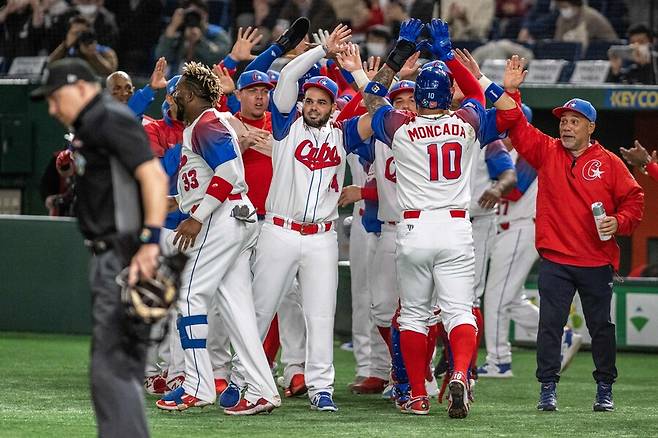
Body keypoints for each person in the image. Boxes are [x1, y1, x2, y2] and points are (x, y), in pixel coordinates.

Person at [362, 18, 510, 417]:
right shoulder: (465, 122)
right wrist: (446, 51)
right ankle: (460, 373)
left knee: (413, 314)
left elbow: (372, 96)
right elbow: (478, 93)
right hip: (457, 225)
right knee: (460, 311)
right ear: (447, 96)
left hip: (413, 227)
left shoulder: (401, 127)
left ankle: (417, 395)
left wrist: (400, 50)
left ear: (419, 96)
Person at [494, 55, 644, 412]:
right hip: (556, 259)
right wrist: (511, 90)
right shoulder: (547, 151)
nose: (566, 127)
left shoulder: (609, 162)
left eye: (575, 121)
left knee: (601, 328)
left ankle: (604, 387)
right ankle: (547, 388)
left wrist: (618, 223)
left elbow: (634, 200)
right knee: (549, 325)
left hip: (596, 260)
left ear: (591, 127)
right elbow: (516, 125)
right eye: (563, 121)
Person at [30, 57, 168, 437]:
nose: (52, 109)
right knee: (111, 368)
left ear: (77, 87)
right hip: (111, 254)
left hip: (124, 254)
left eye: (55, 99)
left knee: (113, 368)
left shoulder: (109, 118)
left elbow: (154, 178)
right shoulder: (94, 123)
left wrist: (149, 245)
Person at [247, 23, 371, 412]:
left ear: (333, 106)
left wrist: (354, 71)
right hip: (279, 230)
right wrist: (323, 51)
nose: (314, 106)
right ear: (302, 103)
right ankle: (245, 379)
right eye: (310, 100)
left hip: (322, 236)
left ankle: (321, 388)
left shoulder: (343, 133)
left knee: (321, 313)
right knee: (259, 309)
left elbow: (376, 104)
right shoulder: (285, 125)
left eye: (322, 102)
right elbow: (286, 75)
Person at [154, 61, 280, 415]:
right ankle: (262, 390)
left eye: (176, 94)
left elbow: (228, 172)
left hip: (221, 218)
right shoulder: (206, 123)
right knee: (237, 310)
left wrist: (195, 217)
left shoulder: (206, 122)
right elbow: (207, 179)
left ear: (191, 95)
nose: (172, 101)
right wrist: (176, 204)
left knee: (190, 295)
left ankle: (197, 385)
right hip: (233, 217)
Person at [155, 0, 231, 74]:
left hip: (205, 81)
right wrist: (172, 27)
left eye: (197, 14)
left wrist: (200, 41)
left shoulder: (217, 34)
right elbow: (161, 57)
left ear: (205, 14)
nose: (193, 18)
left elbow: (218, 59)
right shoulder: (178, 33)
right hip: (176, 79)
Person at [48, 15, 117, 76]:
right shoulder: (67, 51)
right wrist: (65, 46)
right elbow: (49, 67)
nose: (79, 37)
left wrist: (93, 55)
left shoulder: (105, 51)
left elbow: (110, 73)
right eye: (76, 33)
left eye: (83, 33)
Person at [553, 0, 618, 48]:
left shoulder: (589, 16)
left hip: (606, 48)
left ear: (575, 5)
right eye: (560, 7)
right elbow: (557, 40)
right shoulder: (562, 17)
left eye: (564, 6)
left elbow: (581, 42)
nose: (562, 10)